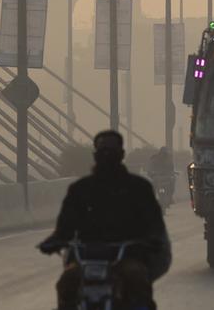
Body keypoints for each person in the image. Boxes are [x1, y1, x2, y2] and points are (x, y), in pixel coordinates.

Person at [38, 130, 171, 310]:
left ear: (121, 155)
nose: (107, 156)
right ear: (95, 155)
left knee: (137, 280)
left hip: (126, 256)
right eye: (103, 152)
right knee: (66, 283)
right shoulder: (80, 189)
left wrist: (152, 240)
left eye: (112, 152)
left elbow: (154, 223)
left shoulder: (139, 188)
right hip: (86, 259)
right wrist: (55, 240)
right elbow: (65, 225)